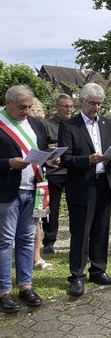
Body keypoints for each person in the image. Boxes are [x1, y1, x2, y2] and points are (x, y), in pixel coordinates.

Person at [58, 82, 111, 296]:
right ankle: (77, 276)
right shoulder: (69, 126)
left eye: (99, 104)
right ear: (81, 102)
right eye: (92, 103)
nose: (96, 107)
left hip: (103, 183)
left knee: (101, 230)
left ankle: (98, 270)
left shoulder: (107, 123)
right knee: (81, 233)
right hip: (82, 186)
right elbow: (65, 159)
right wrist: (88, 159)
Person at [0, 85, 55, 312]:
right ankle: (4, 292)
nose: (27, 111)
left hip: (33, 189)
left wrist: (51, 160)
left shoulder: (35, 124)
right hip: (7, 191)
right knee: (4, 243)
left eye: (30, 107)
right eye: (22, 107)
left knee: (26, 239)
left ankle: (25, 286)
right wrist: (8, 163)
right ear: (8, 103)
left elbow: (41, 151)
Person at [42, 93, 74, 256]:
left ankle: (76, 239)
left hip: (72, 172)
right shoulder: (46, 125)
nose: (69, 109)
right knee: (52, 209)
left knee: (75, 207)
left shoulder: (76, 124)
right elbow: (39, 147)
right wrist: (52, 147)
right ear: (57, 107)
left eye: (71, 106)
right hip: (54, 172)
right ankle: (49, 241)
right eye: (65, 106)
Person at [28, 97, 53, 271]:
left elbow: (42, 150)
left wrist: (50, 160)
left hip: (39, 180)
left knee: (38, 220)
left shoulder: (38, 128)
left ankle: (36, 256)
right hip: (18, 180)